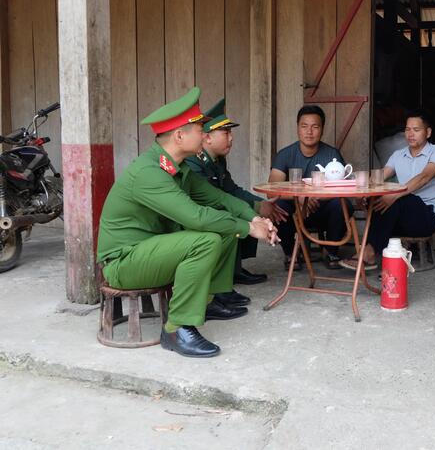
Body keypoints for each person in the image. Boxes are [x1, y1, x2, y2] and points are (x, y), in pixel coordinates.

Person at [96, 87, 279, 358]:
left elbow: (218, 197)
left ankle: (208, 301)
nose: (205, 135)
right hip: (124, 262)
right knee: (206, 239)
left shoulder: (177, 167)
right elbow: (196, 217)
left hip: (151, 250)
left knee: (224, 231)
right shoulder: (149, 172)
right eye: (200, 130)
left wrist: (254, 217)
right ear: (180, 136)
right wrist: (250, 229)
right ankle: (176, 328)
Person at [341, 110, 435, 270]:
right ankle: (368, 249)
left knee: (399, 197)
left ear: (428, 132)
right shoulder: (398, 155)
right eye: (407, 129)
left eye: (416, 130)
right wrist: (362, 193)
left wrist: (395, 195)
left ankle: (369, 253)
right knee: (380, 197)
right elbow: (380, 176)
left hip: (426, 218)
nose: (410, 134)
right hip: (400, 217)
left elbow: (424, 177)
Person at [185, 98, 270, 285]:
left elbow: (231, 189)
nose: (231, 138)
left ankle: (234, 269)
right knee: (234, 214)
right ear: (208, 137)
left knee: (247, 210)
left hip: (214, 207)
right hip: (199, 216)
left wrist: (260, 204)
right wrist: (254, 208)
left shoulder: (217, 159)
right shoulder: (194, 162)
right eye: (226, 133)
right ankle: (224, 274)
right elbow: (210, 200)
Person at [268, 105, 351, 269]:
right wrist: (299, 197)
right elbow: (272, 190)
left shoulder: (332, 154)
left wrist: (316, 197)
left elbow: (342, 189)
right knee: (277, 206)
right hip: (295, 210)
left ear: (322, 129)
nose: (309, 132)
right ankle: (290, 253)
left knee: (342, 204)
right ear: (297, 128)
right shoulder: (285, 154)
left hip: (321, 209)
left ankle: (331, 251)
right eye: (304, 126)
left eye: (315, 127)